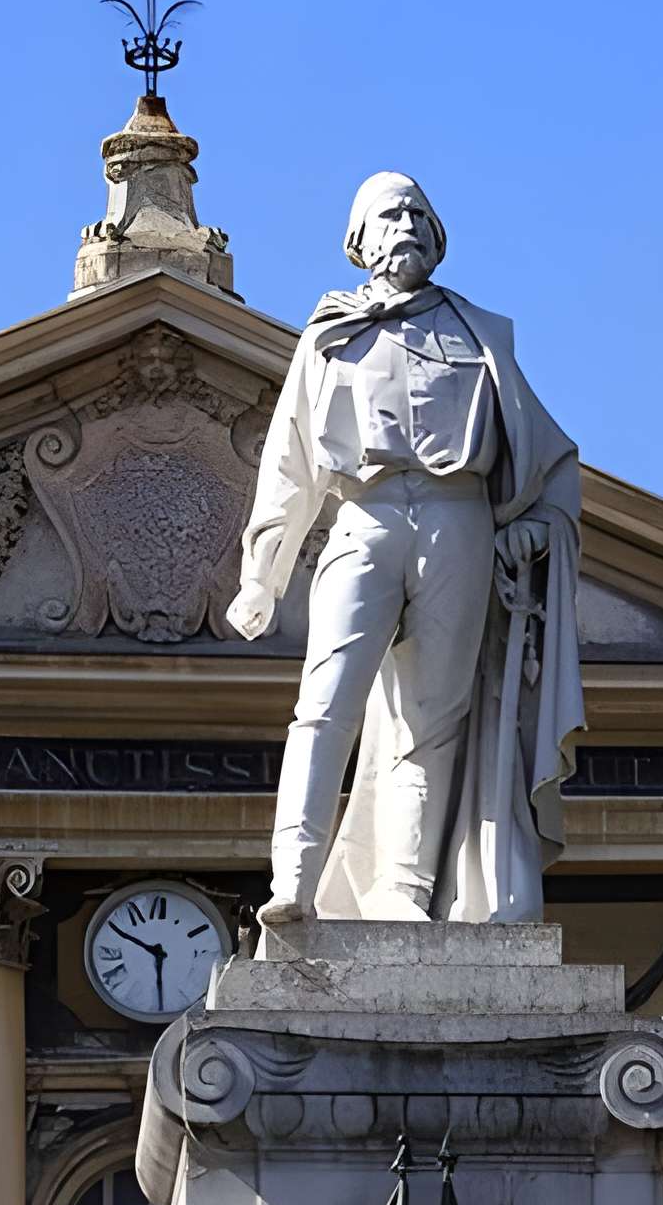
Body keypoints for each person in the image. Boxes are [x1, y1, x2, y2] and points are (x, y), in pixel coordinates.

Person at [225, 171, 583, 926]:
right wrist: (263, 572)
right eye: (393, 213)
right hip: (367, 515)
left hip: (460, 523)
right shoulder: (330, 336)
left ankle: (403, 892)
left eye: (421, 212)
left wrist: (532, 524)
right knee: (324, 705)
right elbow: (290, 461)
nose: (410, 223)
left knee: (433, 719)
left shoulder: (483, 334)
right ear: (359, 240)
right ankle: (293, 877)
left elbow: (550, 458)